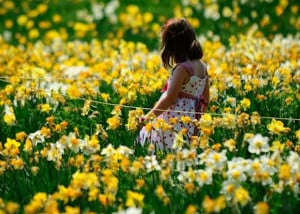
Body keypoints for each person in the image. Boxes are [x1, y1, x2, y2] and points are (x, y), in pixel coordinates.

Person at [138, 18, 209, 150]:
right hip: (191, 121)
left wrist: (149, 117)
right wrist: (196, 121)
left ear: (173, 47)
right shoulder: (203, 67)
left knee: (153, 143)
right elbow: (206, 99)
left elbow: (170, 98)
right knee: (183, 152)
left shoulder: (182, 68)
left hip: (173, 121)